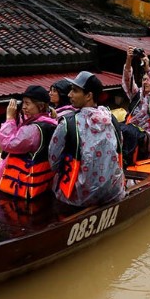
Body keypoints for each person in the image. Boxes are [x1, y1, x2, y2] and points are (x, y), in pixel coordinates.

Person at [48, 71, 125, 207]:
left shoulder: (67, 123)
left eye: (75, 91)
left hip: (79, 198)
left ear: (89, 95)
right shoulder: (111, 119)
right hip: (112, 191)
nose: (70, 94)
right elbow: (120, 146)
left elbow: (53, 162)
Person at [0, 84, 58, 199]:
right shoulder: (51, 121)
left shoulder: (33, 130)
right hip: (43, 177)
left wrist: (10, 118)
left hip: (25, 181)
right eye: (23, 103)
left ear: (40, 107)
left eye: (27, 103)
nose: (24, 107)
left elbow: (7, 144)